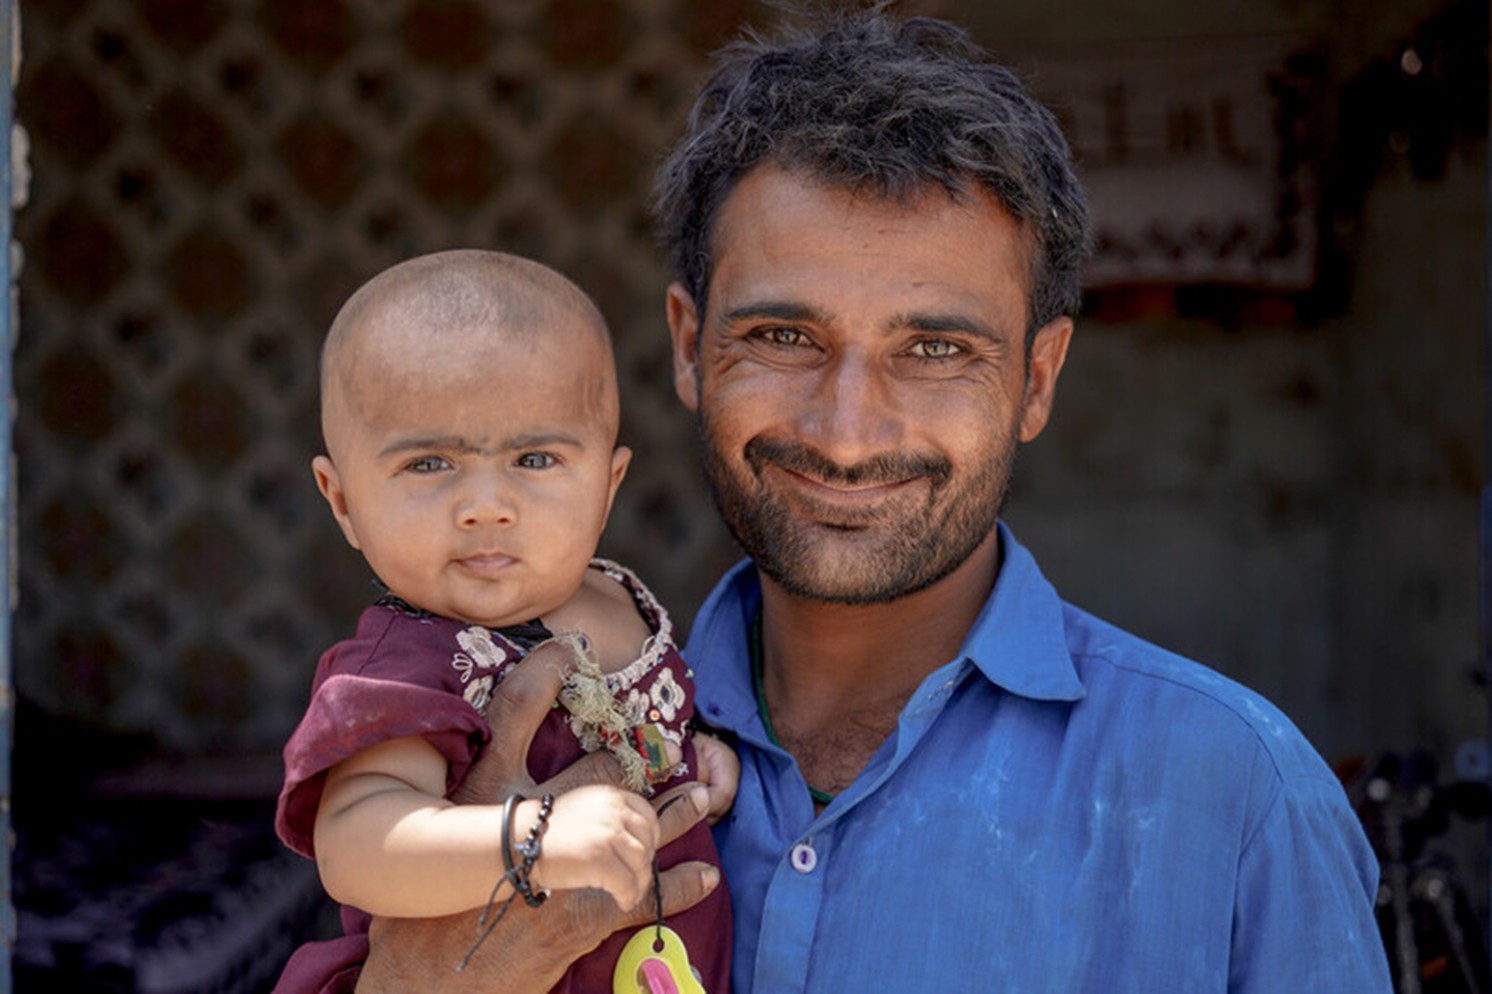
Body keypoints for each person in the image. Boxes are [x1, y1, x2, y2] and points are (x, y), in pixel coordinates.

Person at [357, 8, 1395, 993]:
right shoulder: (492, 748)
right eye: (782, 337)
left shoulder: (1237, 794)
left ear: (1037, 380)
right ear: (688, 347)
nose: (846, 430)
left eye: (935, 349)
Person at [271, 249, 733, 993]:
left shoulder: (620, 603)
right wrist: (530, 838)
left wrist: (696, 758)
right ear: (343, 500)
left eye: (536, 459)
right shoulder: (410, 662)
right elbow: (359, 842)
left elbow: (650, 730)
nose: (486, 504)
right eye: (429, 464)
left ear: (607, 485)